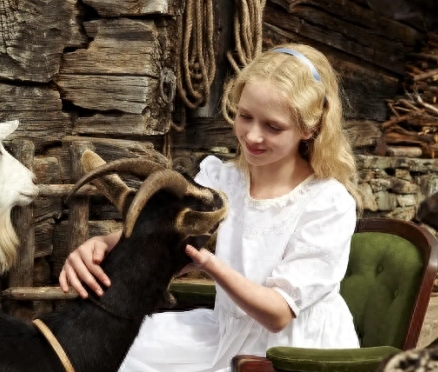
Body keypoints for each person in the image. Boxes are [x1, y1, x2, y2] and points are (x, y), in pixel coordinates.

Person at [59, 43, 364, 372]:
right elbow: (167, 239)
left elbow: (277, 314)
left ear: (309, 128)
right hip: (224, 332)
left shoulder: (327, 203)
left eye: (273, 127)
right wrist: (101, 245)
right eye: (245, 117)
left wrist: (208, 263)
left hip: (294, 351)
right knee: (117, 353)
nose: (252, 135)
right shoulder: (222, 179)